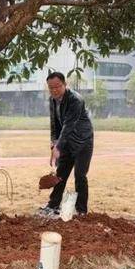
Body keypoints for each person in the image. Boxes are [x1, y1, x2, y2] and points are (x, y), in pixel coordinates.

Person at [42, 72, 94, 216]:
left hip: (82, 141)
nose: (54, 90)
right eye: (50, 88)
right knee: (61, 174)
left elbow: (68, 125)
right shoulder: (52, 100)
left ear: (65, 84)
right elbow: (55, 124)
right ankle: (53, 205)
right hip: (66, 142)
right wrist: (54, 144)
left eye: (57, 87)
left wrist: (59, 146)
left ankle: (81, 210)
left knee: (80, 175)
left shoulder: (75, 100)